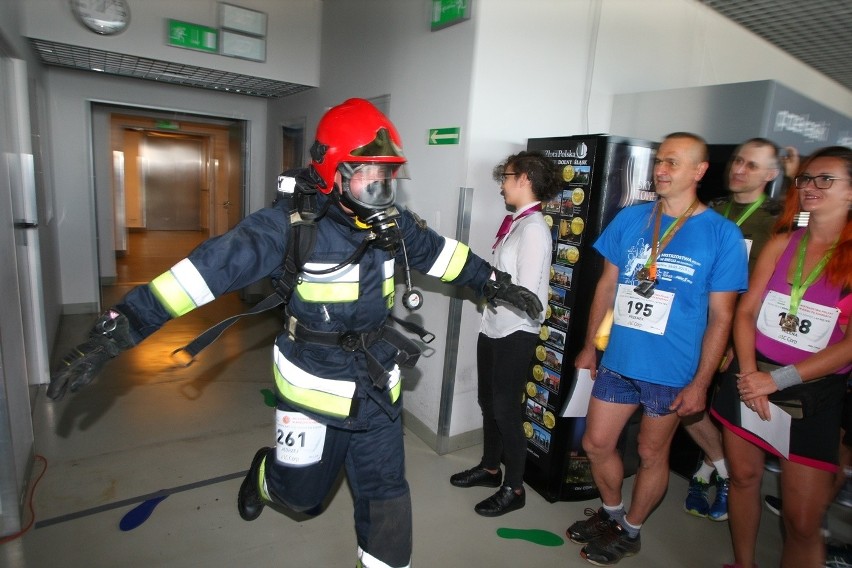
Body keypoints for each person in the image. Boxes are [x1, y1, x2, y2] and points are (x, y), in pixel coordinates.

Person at [46, 98, 543, 568]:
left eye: (385, 175)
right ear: (334, 172)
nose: (378, 187)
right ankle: (265, 477)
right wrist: (120, 329)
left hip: (376, 389)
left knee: (387, 501)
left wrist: (496, 284)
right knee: (301, 498)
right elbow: (200, 275)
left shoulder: (391, 224)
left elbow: (443, 254)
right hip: (312, 390)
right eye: (365, 173)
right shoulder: (286, 227)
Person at [566, 132, 748, 566]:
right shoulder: (631, 218)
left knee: (651, 453)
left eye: (672, 162)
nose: (660, 170)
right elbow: (607, 285)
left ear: (700, 171)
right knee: (596, 443)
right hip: (620, 360)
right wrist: (593, 345)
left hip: (671, 370)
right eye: (659, 162)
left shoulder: (722, 235)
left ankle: (631, 529)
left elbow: (723, 318)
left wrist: (702, 382)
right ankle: (613, 514)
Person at [710, 145, 852, 568]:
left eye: (825, 179)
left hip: (811, 394)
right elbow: (747, 310)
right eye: (806, 178)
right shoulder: (782, 242)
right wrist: (751, 373)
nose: (811, 187)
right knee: (744, 478)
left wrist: (778, 380)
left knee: (803, 521)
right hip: (750, 379)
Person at [449, 151, 560, 516]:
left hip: (516, 329)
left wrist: (487, 283)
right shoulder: (515, 222)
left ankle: (514, 488)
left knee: (505, 409)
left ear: (525, 178)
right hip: (493, 324)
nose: (502, 185)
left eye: (506, 177)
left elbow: (526, 294)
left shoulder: (534, 230)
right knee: (487, 402)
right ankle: (489, 467)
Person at [682, 138, 782, 522]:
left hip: (741, 333)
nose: (739, 169)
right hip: (694, 323)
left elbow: (770, 291)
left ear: (770, 175)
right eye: (738, 160)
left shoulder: (778, 220)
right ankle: (719, 467)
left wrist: (734, 346)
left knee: (731, 414)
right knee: (684, 400)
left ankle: (720, 475)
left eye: (752, 165)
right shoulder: (712, 210)